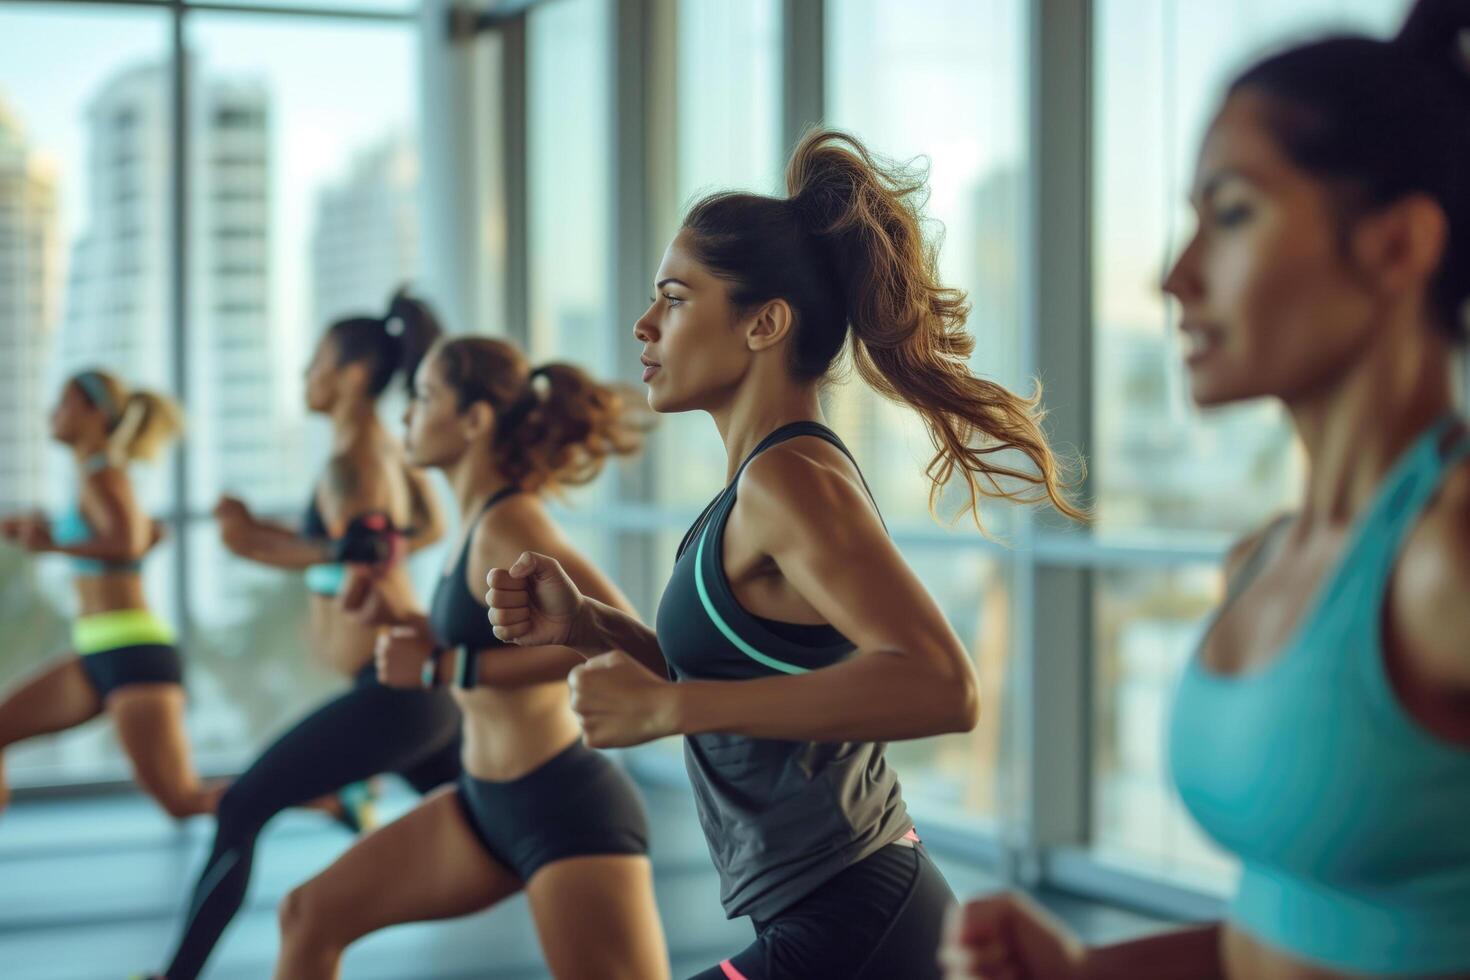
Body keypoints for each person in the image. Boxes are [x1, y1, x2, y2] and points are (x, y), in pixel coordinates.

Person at [941, 2, 1470, 977]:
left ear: (1396, 245)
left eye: (1230, 214)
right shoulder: (1264, 560)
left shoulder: (1449, 559)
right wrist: (1085, 970)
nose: (1174, 275)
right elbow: (1292, 929)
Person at [488, 129, 1082, 980]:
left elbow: (941, 685)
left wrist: (674, 713)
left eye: (676, 298)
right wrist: (588, 629)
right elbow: (731, 688)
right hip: (836, 914)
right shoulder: (760, 483)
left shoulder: (790, 480)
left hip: (856, 918)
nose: (644, 324)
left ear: (765, 323)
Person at [272, 335, 668, 980]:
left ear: (476, 420)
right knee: (306, 915)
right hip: (485, 802)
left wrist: (444, 669)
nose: (406, 415)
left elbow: (620, 635)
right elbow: (491, 634)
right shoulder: (477, 522)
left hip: (562, 807)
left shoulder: (514, 525)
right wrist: (398, 620)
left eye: (426, 398)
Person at [152, 289, 460, 980]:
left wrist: (253, 545)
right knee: (508, 823)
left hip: (397, 693)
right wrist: (259, 533)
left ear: (350, 375)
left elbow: (363, 554)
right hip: (407, 691)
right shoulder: (377, 451)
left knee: (241, 808)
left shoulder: (356, 463)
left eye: (315, 364)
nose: (304, 377)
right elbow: (417, 527)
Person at [0, 370, 212, 821]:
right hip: (97, 646)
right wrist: (42, 531)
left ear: (95, 414)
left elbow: (128, 543)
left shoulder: (104, 476)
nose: (51, 415)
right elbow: (135, 537)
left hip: (132, 649)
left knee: (181, 800)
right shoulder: (92, 478)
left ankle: (323, 798)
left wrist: (52, 544)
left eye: (63, 404)